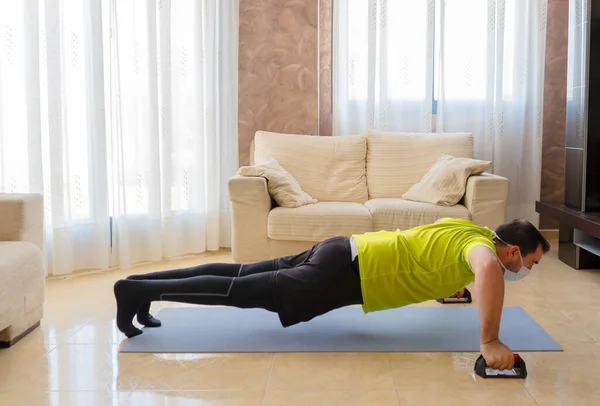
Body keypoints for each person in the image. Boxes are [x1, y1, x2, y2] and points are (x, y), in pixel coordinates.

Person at [113, 218, 549, 369]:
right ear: (513, 250)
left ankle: (144, 287)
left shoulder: (469, 231)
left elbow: (437, 252)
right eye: (528, 263)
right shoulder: (482, 252)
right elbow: (488, 266)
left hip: (344, 251)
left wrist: (447, 283)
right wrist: (489, 340)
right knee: (239, 291)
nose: (524, 270)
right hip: (342, 276)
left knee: (239, 273)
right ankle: (135, 290)